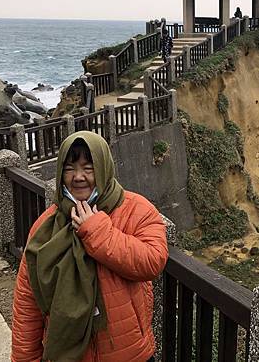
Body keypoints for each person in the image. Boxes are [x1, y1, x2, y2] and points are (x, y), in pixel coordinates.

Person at [11, 132, 168, 362]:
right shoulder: (45, 226)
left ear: (104, 167)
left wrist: (96, 230)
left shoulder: (136, 209)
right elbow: (27, 302)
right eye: (69, 168)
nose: (78, 177)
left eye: (88, 167)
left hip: (128, 353)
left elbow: (152, 261)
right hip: (68, 355)